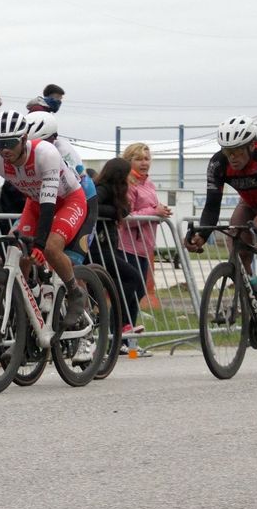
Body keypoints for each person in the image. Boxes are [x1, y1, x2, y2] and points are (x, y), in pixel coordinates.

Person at [0, 110, 91, 363]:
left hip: (68, 201)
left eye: (10, 143)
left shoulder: (45, 153)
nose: (4, 150)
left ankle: (75, 292)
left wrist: (41, 244)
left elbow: (49, 202)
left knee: (52, 248)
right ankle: (28, 315)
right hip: (34, 204)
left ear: (23, 138)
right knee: (15, 248)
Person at [185, 116, 257, 323]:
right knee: (235, 237)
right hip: (250, 202)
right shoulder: (217, 164)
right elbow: (212, 206)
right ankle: (253, 286)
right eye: (227, 151)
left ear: (251, 145)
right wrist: (202, 235)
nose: (232, 157)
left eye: (238, 150)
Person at [24, 108, 99, 265]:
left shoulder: (63, 150)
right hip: (47, 201)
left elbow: (72, 184)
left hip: (81, 200)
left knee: (65, 260)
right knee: (21, 248)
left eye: (41, 143)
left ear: (53, 139)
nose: (36, 149)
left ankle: (77, 286)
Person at [89, 158, 148, 353]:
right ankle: (118, 324)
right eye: (126, 175)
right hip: (98, 247)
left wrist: (117, 210)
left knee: (126, 282)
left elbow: (125, 209)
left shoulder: (115, 190)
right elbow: (92, 204)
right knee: (132, 277)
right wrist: (115, 212)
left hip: (107, 247)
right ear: (119, 175)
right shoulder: (103, 187)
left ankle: (116, 328)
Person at [119, 142, 172, 319]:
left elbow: (149, 208)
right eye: (138, 159)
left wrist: (160, 211)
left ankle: (130, 341)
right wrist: (153, 212)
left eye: (147, 159)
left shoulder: (149, 184)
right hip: (127, 247)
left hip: (144, 248)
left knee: (138, 292)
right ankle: (121, 339)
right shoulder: (128, 183)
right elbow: (126, 217)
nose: (144, 163)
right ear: (129, 161)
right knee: (128, 294)